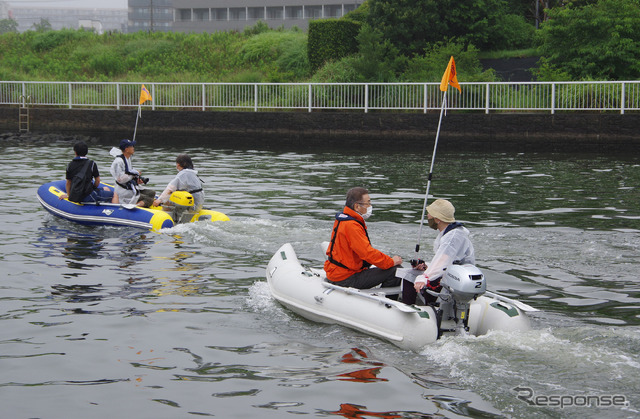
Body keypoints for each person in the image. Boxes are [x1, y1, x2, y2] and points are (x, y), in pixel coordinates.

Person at [324, 187, 403, 291]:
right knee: (396, 270)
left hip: (337, 272)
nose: (370, 206)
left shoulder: (343, 219)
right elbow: (367, 253)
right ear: (357, 206)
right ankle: (389, 302)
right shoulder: (352, 225)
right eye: (368, 203)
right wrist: (391, 261)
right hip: (346, 278)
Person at [402, 199, 475, 305]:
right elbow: (446, 260)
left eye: (430, 214)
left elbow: (443, 262)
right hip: (451, 273)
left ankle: (410, 309)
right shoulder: (451, 232)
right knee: (417, 273)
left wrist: (425, 277)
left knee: (409, 276)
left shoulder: (452, 237)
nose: (427, 216)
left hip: (453, 278)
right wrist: (426, 266)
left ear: (437, 219)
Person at [110, 139, 155, 207]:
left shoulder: (127, 159)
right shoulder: (118, 161)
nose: (133, 148)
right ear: (126, 149)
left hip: (129, 186)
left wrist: (137, 180)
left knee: (151, 193)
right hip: (123, 189)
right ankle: (135, 207)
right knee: (148, 199)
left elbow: (129, 173)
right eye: (131, 146)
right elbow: (120, 179)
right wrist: (134, 175)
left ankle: (141, 204)